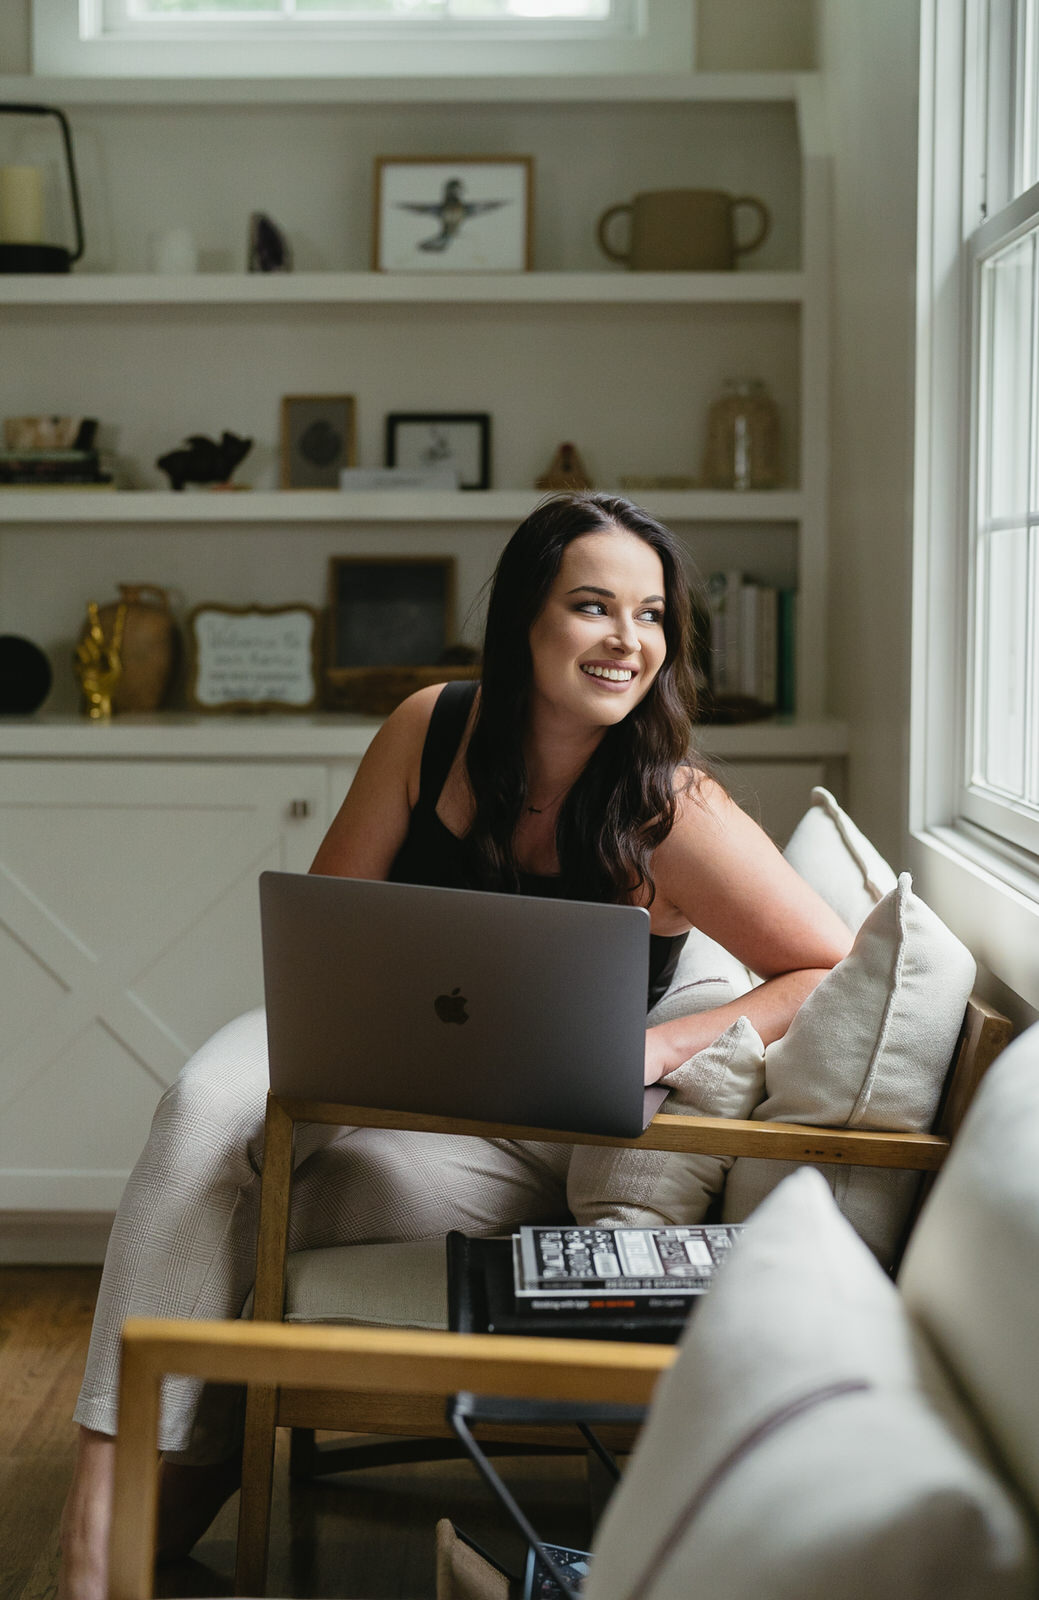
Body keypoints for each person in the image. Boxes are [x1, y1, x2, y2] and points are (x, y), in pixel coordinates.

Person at [58, 493, 851, 1599]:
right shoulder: (428, 729)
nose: (628, 639)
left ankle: (178, 1479)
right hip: (361, 1059)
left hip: (509, 1138)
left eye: (651, 614)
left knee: (272, 1213)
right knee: (199, 1111)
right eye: (591, 606)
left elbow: (829, 968)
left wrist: (667, 1042)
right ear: (526, 620)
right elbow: (323, 934)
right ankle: (92, 1539)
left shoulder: (673, 805)